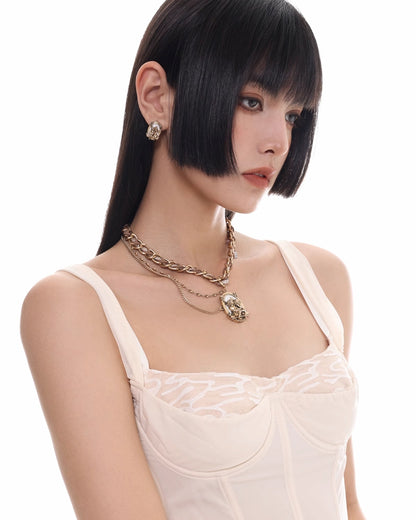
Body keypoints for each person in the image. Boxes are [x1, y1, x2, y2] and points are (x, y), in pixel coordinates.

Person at [21, 0, 366, 518]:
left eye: (293, 114)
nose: (278, 142)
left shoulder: (318, 279)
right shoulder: (74, 308)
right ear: (156, 97)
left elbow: (350, 504)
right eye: (251, 101)